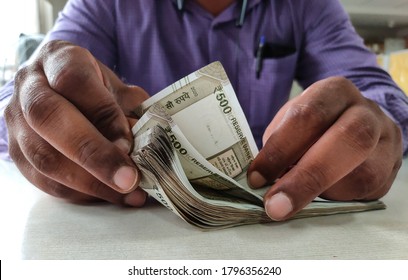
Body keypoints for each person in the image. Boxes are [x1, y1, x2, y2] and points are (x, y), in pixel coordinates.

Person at [0, 0, 407, 222]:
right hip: (137, 231)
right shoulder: (105, 4)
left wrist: (378, 126)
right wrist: (29, 111)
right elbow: (20, 100)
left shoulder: (309, 7)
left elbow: (379, 98)